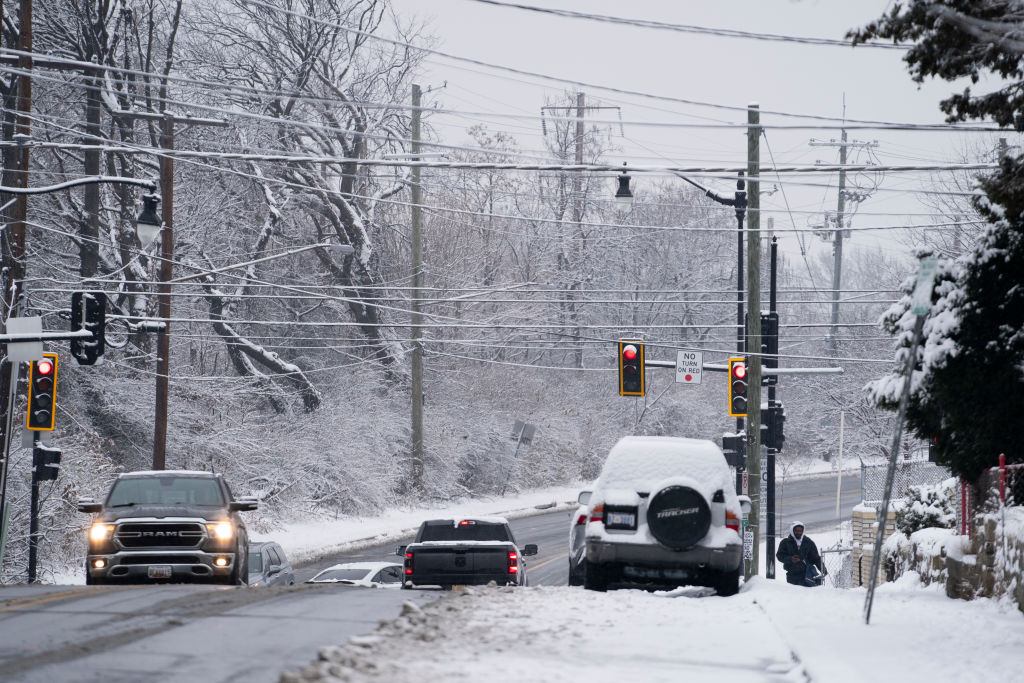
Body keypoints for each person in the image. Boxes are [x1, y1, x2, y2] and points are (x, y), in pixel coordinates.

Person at [776, 521, 822, 587]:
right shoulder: (785, 542)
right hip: (791, 575)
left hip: (806, 575)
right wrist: (790, 559)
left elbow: (815, 557)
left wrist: (823, 570)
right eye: (796, 531)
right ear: (792, 530)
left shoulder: (808, 542)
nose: (798, 533)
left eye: (800, 531)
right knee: (794, 595)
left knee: (806, 595)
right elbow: (780, 555)